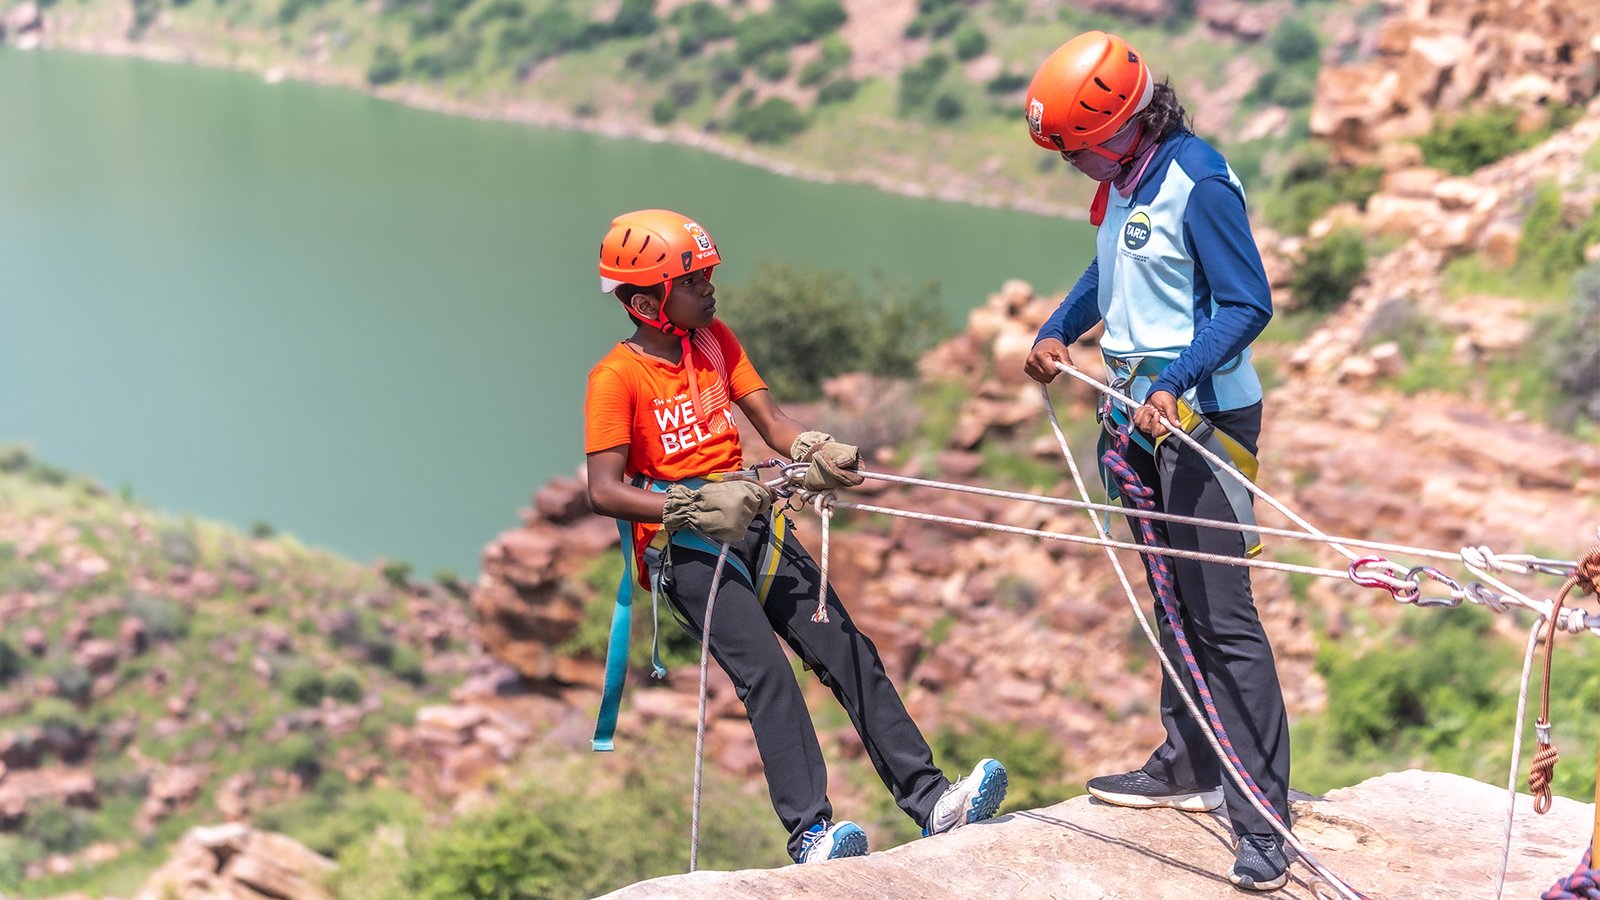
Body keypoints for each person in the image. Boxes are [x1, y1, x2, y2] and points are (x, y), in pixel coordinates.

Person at [583, 208, 1008, 865]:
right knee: (768, 677)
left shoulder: (715, 340)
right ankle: (811, 835)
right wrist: (690, 509)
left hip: (757, 522)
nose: (710, 288)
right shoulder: (617, 379)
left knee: (846, 650)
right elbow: (604, 489)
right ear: (646, 302)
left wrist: (814, 447)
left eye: (707, 275)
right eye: (693, 281)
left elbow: (771, 421)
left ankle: (930, 802)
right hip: (690, 550)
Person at [1019, 32, 1291, 892]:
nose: (1073, 167)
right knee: (1172, 602)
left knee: (1221, 618)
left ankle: (1263, 822)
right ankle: (1186, 761)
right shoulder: (1128, 179)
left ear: (1122, 124)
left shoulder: (1198, 181)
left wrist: (1173, 381)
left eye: (1076, 151)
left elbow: (1249, 302)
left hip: (1201, 419)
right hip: (1141, 417)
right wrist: (1062, 325)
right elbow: (1114, 273)